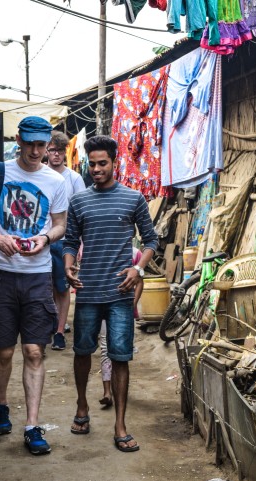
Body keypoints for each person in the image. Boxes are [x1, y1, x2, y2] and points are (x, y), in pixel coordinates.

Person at [0, 116, 69, 455]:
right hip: (2, 275)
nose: (36, 151)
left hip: (37, 276)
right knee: (4, 349)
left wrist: (43, 238)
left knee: (34, 350)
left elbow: (59, 225)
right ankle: (0, 404)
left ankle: (33, 425)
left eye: (42, 145)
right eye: (30, 144)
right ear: (19, 140)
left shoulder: (56, 182)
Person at [63, 135, 158, 452]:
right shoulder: (79, 202)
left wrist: (138, 269)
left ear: (115, 163)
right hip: (88, 291)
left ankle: (120, 425)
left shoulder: (133, 199)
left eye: (103, 163)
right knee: (82, 353)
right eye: (92, 164)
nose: (96, 169)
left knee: (120, 357)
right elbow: (69, 243)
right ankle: (81, 406)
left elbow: (150, 241)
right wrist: (68, 266)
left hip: (120, 293)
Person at [46, 130, 86, 350]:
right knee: (45, 286)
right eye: (52, 150)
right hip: (42, 240)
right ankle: (49, 325)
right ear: (46, 151)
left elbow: (81, 212)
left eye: (60, 150)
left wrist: (80, 242)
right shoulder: (40, 174)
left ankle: (59, 331)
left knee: (62, 287)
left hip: (65, 240)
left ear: (65, 153)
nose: (56, 155)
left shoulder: (74, 178)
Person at [98, 247, 144, 408]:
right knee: (105, 347)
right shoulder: (101, 248)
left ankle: (119, 390)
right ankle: (107, 392)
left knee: (120, 352)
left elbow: (139, 282)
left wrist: (132, 305)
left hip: (124, 308)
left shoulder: (135, 253)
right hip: (102, 305)